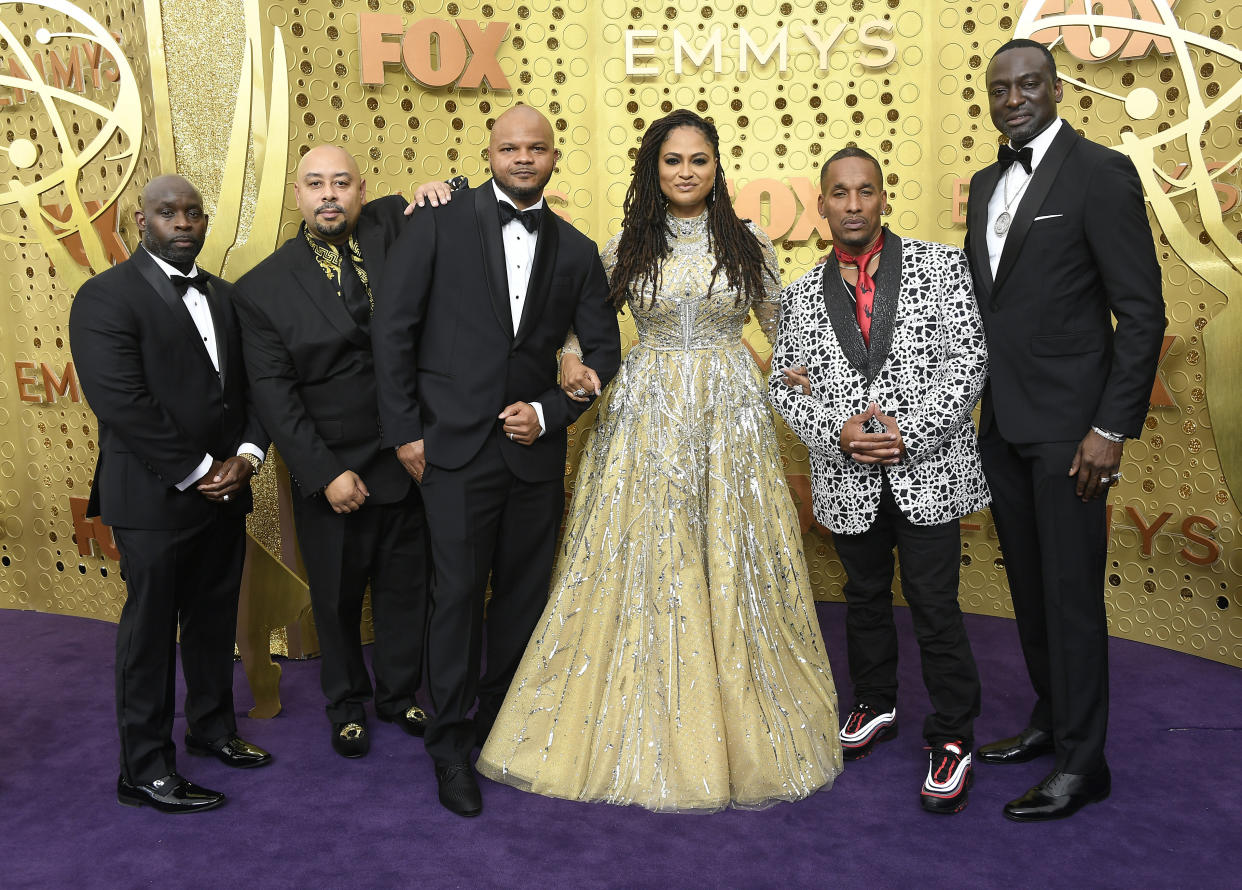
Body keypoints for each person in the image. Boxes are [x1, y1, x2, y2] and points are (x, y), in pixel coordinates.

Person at [474, 109, 842, 813]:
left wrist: (805, 375)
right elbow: (583, 334)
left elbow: (786, 331)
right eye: (672, 160)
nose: (685, 172)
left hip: (731, 422)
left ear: (716, 168)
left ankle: (739, 711)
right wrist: (577, 369)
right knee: (651, 556)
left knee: (730, 555)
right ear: (654, 169)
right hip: (646, 419)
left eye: (698, 160)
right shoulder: (622, 247)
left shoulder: (748, 242)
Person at [372, 106, 622, 817]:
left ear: (552, 156)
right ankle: (448, 746)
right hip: (448, 449)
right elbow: (394, 330)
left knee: (520, 599)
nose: (522, 157)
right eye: (509, 147)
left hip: (531, 455)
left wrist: (549, 411)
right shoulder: (437, 221)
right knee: (454, 599)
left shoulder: (575, 249)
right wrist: (404, 434)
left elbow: (602, 352)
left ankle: (497, 727)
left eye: (535, 148)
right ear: (489, 153)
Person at [964, 39, 1165, 821]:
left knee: (1072, 595)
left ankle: (1086, 765)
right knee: (1030, 590)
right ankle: (1053, 721)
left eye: (1029, 84)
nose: (1014, 97)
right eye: (1000, 87)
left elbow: (1142, 313)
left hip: (1074, 433)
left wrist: (1110, 427)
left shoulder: (1100, 173)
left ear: (1057, 88)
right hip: (1005, 424)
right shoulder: (985, 184)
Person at [770, 148, 989, 814]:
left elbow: (968, 358)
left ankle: (952, 734)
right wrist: (835, 428)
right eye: (841, 193)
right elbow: (781, 381)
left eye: (866, 191)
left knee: (933, 603)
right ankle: (874, 702)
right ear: (824, 205)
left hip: (928, 470)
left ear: (883, 198)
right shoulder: (800, 294)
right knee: (864, 595)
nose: (854, 204)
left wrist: (910, 431)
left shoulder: (942, 265)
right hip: (846, 477)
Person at [69, 175, 272, 814]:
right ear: (140, 220)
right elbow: (122, 403)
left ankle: (212, 729)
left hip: (225, 492)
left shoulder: (226, 297)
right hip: (154, 498)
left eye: (192, 212)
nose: (182, 223)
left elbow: (254, 390)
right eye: (167, 213)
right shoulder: (103, 298)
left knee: (214, 623)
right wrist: (198, 469)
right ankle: (145, 768)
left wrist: (246, 456)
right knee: (151, 636)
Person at [232, 146, 431, 759]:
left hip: (407, 459)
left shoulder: (393, 229)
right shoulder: (261, 288)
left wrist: (439, 185)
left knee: (406, 589)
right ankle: (345, 704)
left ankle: (398, 696)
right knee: (338, 598)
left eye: (340, 183)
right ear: (297, 195)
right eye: (315, 183)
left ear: (361, 191)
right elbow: (274, 396)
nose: (328, 194)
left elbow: (452, 198)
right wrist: (323, 473)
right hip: (333, 469)